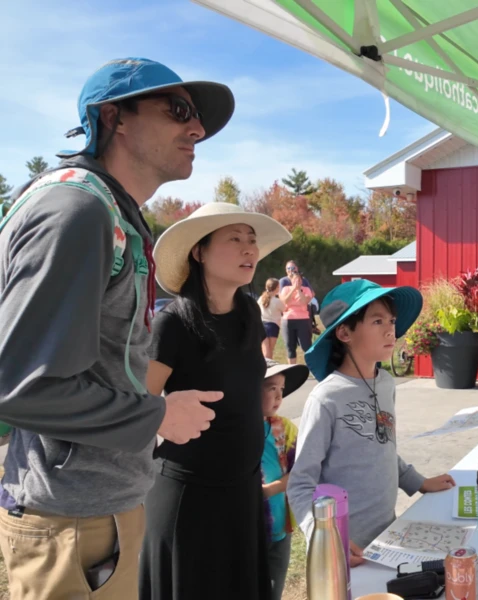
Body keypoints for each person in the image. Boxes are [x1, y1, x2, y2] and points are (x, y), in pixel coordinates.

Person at [0, 57, 234, 598]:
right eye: (178, 111)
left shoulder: (109, 212)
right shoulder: (78, 210)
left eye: (196, 118)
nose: (196, 129)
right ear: (114, 118)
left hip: (94, 512)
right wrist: (158, 415)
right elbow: (22, 386)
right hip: (71, 522)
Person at [140, 202, 292, 599]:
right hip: (188, 499)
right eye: (234, 239)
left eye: (252, 241)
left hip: (242, 493)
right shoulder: (173, 323)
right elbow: (138, 406)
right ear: (199, 251)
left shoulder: (248, 313)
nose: (249, 250)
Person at [288, 279, 455, 564]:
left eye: (391, 320)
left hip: (387, 537)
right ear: (344, 332)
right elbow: (300, 484)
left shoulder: (386, 384)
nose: (391, 329)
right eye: (377, 321)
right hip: (343, 549)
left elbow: (383, 446)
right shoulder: (326, 398)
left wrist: (419, 482)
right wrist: (325, 537)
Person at [259, 358, 309, 600]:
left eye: (281, 389)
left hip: (281, 527)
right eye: (271, 389)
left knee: (274, 588)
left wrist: (271, 489)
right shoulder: (236, 431)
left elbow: (301, 470)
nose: (279, 396)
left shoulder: (285, 429)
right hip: (249, 530)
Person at [279, 260, 315, 364]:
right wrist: (293, 289)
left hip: (303, 319)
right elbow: (284, 300)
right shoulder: (285, 288)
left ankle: (311, 368)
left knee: (306, 346)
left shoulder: (306, 289)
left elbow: (304, 301)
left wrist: (299, 290)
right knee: (290, 347)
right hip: (288, 319)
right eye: (288, 269)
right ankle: (292, 370)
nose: (297, 282)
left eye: (299, 280)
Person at [259, 277, 285, 358]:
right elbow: (285, 309)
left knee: (265, 349)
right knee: (269, 350)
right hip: (272, 326)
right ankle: (268, 368)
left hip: (261, 325)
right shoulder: (277, 301)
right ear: (276, 288)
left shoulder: (261, 298)